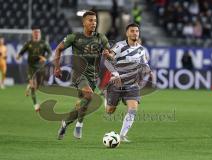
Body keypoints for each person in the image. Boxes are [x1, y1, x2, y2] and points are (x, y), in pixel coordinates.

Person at [54, 11, 111, 140]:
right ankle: (73, 123)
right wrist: (57, 67)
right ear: (83, 22)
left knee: (83, 103)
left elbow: (111, 52)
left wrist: (109, 54)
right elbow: (58, 49)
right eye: (90, 20)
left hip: (93, 76)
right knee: (89, 95)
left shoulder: (101, 38)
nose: (94, 23)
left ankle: (72, 124)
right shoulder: (74, 37)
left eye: (95, 20)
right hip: (79, 74)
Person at [104, 23, 153, 142]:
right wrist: (109, 58)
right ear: (127, 33)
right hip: (117, 83)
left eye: (136, 31)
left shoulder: (141, 49)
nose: (135, 33)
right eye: (132, 31)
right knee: (110, 111)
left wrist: (149, 71)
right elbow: (109, 59)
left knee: (133, 109)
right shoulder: (120, 46)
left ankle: (122, 135)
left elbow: (144, 64)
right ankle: (106, 97)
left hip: (132, 84)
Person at [16, 27, 52, 112]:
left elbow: (50, 52)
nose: (36, 34)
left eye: (38, 32)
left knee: (37, 86)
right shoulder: (29, 43)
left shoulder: (44, 43)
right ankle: (36, 105)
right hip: (31, 66)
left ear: (40, 33)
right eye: (35, 32)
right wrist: (18, 56)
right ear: (32, 33)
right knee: (33, 86)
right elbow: (22, 51)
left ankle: (30, 86)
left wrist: (45, 57)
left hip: (40, 67)